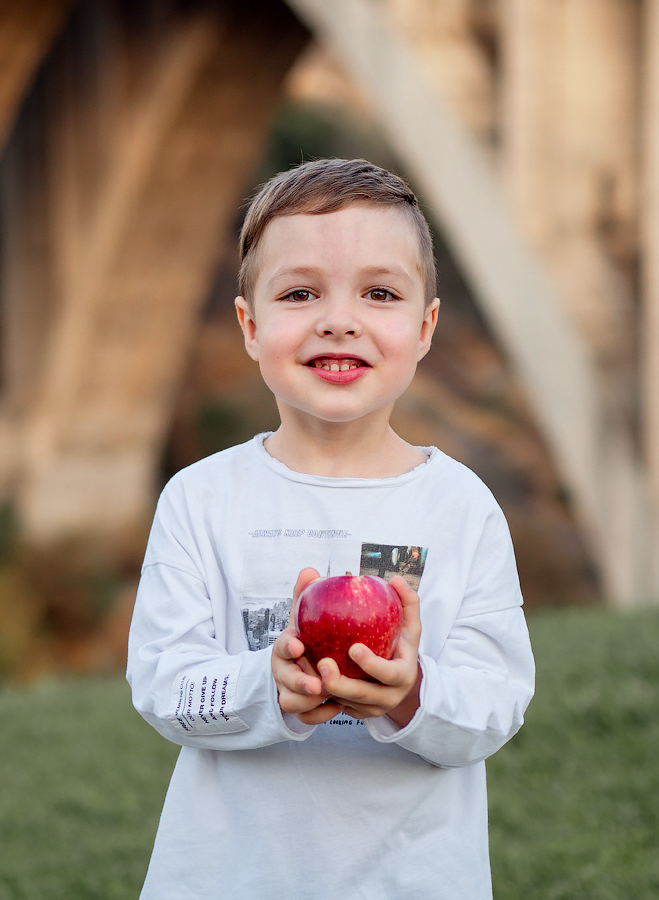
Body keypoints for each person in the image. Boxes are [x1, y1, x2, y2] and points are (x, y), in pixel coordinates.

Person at [126, 158, 535, 899]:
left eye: (378, 292)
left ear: (424, 327)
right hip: (227, 878)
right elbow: (163, 686)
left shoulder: (460, 507)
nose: (337, 318)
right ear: (250, 327)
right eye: (299, 293)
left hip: (411, 880)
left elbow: (497, 702)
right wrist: (268, 685)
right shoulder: (201, 499)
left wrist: (412, 692)